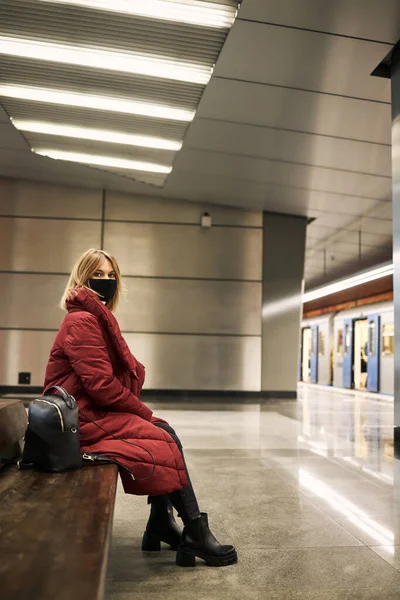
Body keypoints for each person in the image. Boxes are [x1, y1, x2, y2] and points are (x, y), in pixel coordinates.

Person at [44, 248, 237, 568]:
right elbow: (101, 386)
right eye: (98, 274)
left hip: (89, 413)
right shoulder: (82, 322)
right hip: (81, 420)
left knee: (160, 432)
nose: (105, 281)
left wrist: (139, 411)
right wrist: (140, 411)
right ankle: (193, 530)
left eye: (111, 276)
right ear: (82, 277)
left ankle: (162, 523)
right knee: (161, 433)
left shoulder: (91, 318)